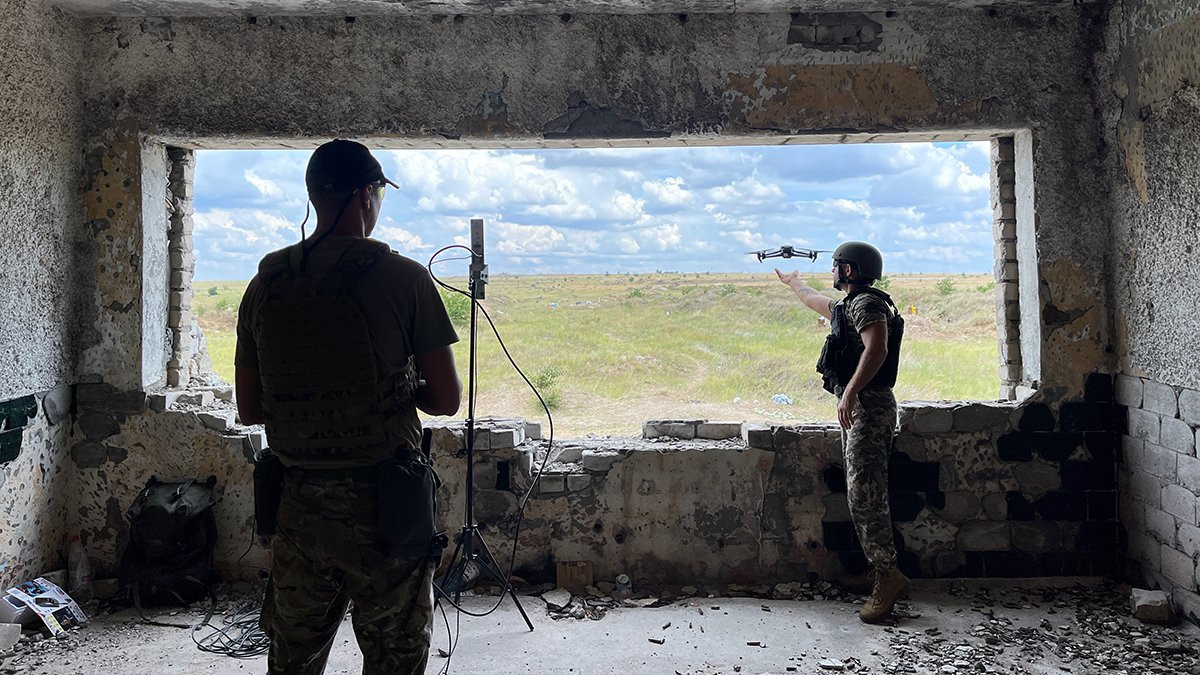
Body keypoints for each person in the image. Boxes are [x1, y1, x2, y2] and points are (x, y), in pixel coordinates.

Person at [234, 139, 462, 673]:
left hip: (298, 502)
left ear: (314, 197)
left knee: (294, 656)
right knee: (394, 656)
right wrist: (399, 392)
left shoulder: (266, 283)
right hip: (385, 504)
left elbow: (250, 408)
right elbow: (447, 400)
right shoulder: (404, 278)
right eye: (380, 193)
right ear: (366, 195)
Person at [775, 241, 909, 623]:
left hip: (870, 407)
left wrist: (849, 392)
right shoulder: (849, 306)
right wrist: (794, 283)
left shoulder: (867, 304)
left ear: (849, 271)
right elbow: (815, 301)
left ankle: (888, 576)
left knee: (867, 497)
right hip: (864, 407)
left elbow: (877, 348)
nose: (831, 272)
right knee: (860, 493)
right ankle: (880, 571)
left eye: (835, 266)